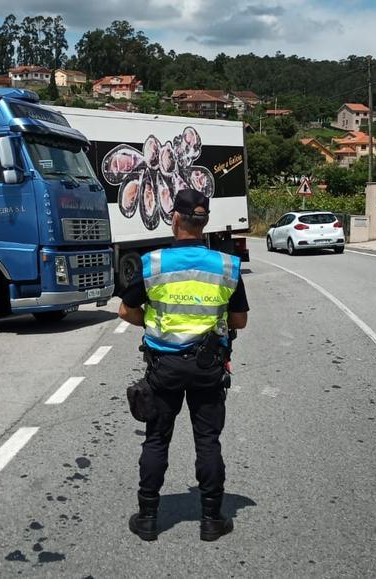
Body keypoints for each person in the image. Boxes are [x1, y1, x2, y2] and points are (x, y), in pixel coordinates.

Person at [117, 189, 249, 542]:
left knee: (157, 439)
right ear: (205, 223)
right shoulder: (227, 265)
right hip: (209, 367)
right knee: (207, 441)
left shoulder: (152, 263)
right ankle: (211, 520)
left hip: (164, 367)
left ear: (174, 219)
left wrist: (156, 324)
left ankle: (147, 519)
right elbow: (240, 321)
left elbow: (126, 311)